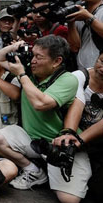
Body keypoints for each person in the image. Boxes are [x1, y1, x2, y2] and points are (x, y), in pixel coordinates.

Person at [0, 35, 91, 203]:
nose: (33, 60)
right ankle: (34, 171)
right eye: (32, 54)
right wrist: (16, 46)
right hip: (33, 141)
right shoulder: (30, 70)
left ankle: (60, 171)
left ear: (57, 61)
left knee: (69, 200)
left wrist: (22, 74)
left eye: (39, 57)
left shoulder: (67, 79)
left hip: (60, 145)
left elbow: (41, 103)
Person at [52, 52, 103, 200]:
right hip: (72, 137)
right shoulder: (79, 76)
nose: (102, 68)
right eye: (101, 61)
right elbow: (77, 102)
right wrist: (70, 136)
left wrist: (79, 140)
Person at [67, 0, 103, 69]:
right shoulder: (78, 13)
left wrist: (88, 17)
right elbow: (75, 47)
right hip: (85, 72)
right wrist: (70, 22)